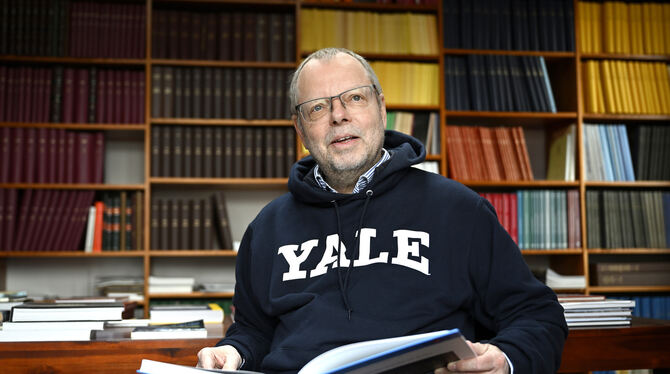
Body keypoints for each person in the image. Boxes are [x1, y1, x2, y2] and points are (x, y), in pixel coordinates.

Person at [197, 47, 568, 373]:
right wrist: (233, 352)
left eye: (354, 98)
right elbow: (253, 332)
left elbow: (537, 315)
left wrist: (505, 360)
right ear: (300, 129)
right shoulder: (267, 228)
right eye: (317, 107)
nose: (338, 116)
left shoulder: (459, 210)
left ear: (381, 107)